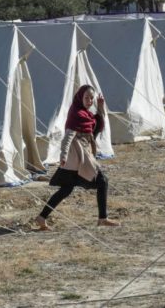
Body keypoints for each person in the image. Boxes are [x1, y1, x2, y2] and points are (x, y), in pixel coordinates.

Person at [35, 85, 120, 230]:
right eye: (86, 98)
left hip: (75, 163)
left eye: (91, 98)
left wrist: (100, 107)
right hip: (77, 160)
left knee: (65, 190)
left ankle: (41, 217)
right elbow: (67, 137)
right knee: (102, 181)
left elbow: (97, 125)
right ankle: (102, 218)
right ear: (80, 97)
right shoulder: (76, 114)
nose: (89, 100)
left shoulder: (86, 114)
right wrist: (63, 155)